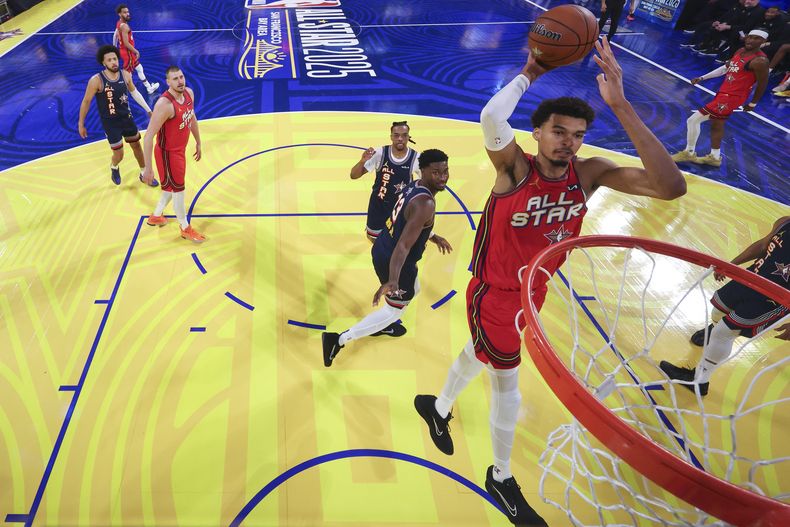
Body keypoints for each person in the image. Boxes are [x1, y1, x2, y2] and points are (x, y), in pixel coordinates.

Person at [414, 37, 686, 526]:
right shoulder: (515, 169)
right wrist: (531, 73)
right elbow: (491, 121)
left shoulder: (589, 174)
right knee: (507, 384)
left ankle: (436, 406)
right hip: (495, 293)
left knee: (481, 354)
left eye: (578, 134)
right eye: (558, 131)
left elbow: (669, 187)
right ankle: (499, 476)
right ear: (537, 134)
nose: (569, 141)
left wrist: (621, 106)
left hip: (532, 292)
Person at [322, 149, 454, 367]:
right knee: (395, 309)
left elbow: (405, 220)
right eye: (436, 173)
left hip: (384, 244)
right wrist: (392, 280)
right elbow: (403, 246)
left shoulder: (414, 185)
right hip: (396, 259)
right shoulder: (426, 204)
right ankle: (338, 339)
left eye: (446, 171)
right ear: (423, 171)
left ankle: (382, 320)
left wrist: (431, 235)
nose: (442, 177)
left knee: (414, 289)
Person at [660, 216, 790, 397]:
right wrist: (731, 265)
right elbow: (762, 246)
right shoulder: (785, 222)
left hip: (773, 299)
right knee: (718, 311)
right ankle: (713, 331)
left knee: (724, 333)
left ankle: (699, 380)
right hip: (752, 278)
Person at [671, 29, 769, 167]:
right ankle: (715, 157)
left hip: (732, 97)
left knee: (693, 120)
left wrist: (753, 103)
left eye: (756, 38)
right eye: (749, 37)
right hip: (724, 92)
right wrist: (702, 77)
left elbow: (763, 83)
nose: (751, 40)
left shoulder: (760, 61)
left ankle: (689, 152)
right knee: (717, 124)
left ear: (763, 42)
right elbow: (725, 68)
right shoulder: (740, 51)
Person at [77, 44, 157, 187]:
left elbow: (135, 93)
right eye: (109, 60)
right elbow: (86, 101)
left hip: (127, 118)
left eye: (115, 59)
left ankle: (144, 173)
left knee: (137, 146)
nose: (113, 62)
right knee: (119, 154)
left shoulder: (125, 74)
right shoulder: (96, 80)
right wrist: (81, 123)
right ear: (103, 63)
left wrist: (148, 109)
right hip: (110, 123)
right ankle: (114, 166)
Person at [142, 66, 205, 242]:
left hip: (179, 151)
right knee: (178, 189)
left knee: (170, 187)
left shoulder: (189, 94)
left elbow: (191, 118)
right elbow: (148, 138)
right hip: (167, 154)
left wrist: (198, 141)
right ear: (167, 82)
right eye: (175, 79)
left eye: (181, 77)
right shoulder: (164, 105)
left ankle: (156, 215)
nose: (180, 81)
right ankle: (185, 227)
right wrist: (148, 169)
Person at [350, 121, 420, 241]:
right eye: (396, 135)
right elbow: (354, 175)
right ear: (391, 137)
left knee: (398, 243)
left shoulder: (416, 158)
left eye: (404, 135)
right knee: (374, 239)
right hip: (378, 206)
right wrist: (362, 161)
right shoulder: (379, 153)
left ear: (409, 137)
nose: (400, 138)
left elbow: (426, 184)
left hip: (400, 209)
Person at [114, 3, 159, 95]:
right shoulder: (125, 27)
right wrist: (136, 51)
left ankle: (148, 87)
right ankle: (119, 94)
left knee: (139, 68)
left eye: (128, 12)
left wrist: (115, 46)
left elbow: (115, 35)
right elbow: (126, 43)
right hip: (128, 53)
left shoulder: (119, 23)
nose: (127, 14)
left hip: (125, 52)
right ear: (120, 14)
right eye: (125, 12)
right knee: (127, 75)